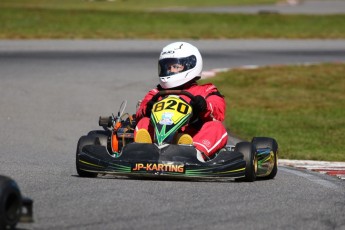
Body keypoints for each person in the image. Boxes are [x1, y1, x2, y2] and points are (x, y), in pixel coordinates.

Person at [134, 42, 228, 161]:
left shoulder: (205, 90)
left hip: (191, 135)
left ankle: (194, 153)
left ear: (191, 65)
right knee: (144, 121)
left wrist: (204, 106)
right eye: (167, 67)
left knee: (216, 126)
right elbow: (141, 110)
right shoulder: (156, 92)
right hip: (156, 136)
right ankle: (143, 149)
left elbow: (219, 108)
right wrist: (147, 109)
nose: (170, 70)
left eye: (176, 67)